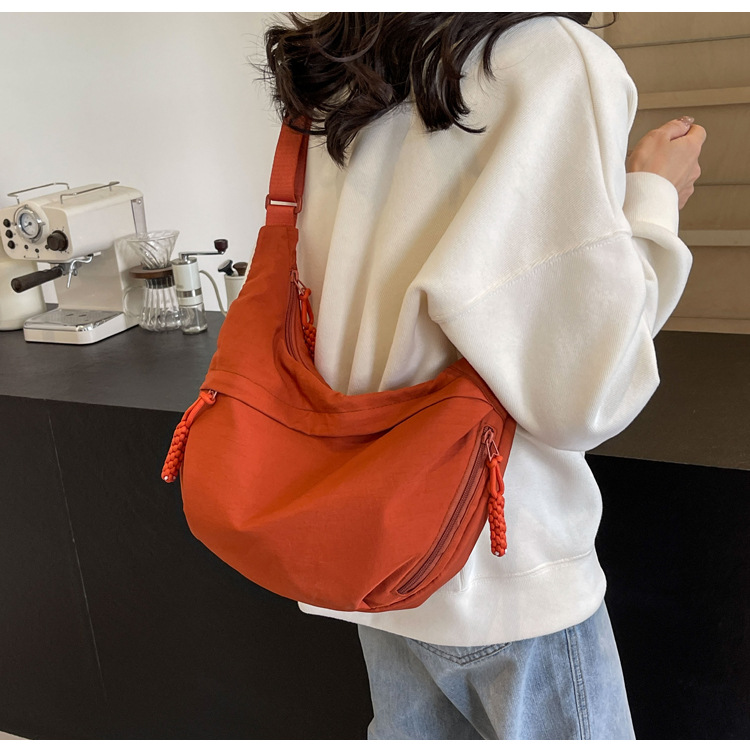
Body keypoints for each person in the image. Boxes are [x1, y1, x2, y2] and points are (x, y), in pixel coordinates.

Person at [263, 12, 705, 740]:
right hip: (498, 554)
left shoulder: (343, 60)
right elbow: (584, 392)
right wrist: (652, 197)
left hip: (377, 551)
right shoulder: (550, 57)